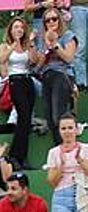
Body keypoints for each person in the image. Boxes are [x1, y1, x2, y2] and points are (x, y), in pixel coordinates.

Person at [0, 17, 38, 170]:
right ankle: (16, 156)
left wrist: (31, 44)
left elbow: (34, 61)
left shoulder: (27, 45)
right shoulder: (5, 45)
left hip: (27, 80)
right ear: (11, 30)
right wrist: (14, 45)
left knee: (26, 119)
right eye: (16, 27)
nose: (19, 30)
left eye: (21, 27)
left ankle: (20, 156)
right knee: (23, 116)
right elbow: (1, 60)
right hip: (15, 81)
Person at [35, 10, 77, 140]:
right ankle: (59, 149)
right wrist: (41, 46)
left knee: (58, 115)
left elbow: (69, 58)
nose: (51, 22)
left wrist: (55, 45)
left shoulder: (68, 35)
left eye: (54, 19)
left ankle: (67, 149)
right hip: (47, 75)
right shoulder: (42, 38)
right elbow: (38, 65)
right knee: (49, 117)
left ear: (59, 20)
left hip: (62, 74)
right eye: (48, 20)